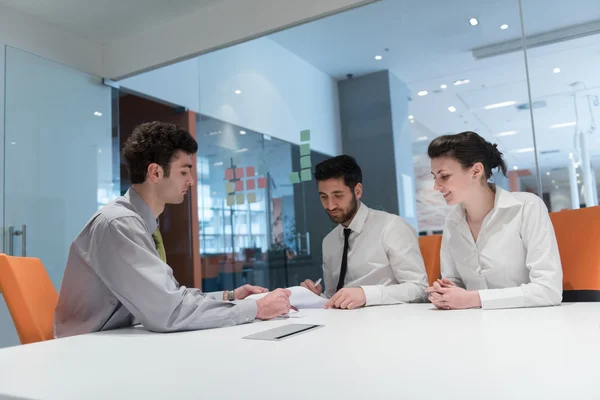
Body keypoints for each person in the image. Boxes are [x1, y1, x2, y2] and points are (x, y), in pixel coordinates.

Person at [54, 122, 291, 338]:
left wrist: (230, 297)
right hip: (86, 349)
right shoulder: (119, 224)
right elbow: (169, 311)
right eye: (184, 172)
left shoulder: (139, 222)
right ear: (155, 173)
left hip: (117, 340)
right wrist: (256, 308)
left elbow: (167, 297)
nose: (191, 181)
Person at [426, 131, 563, 310]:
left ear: (476, 171)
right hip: (471, 324)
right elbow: (455, 280)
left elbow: (548, 290)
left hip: (528, 324)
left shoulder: (527, 207)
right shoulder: (452, 222)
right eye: (434, 177)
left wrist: (474, 299)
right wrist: (445, 291)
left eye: (444, 176)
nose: (436, 186)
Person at [301, 155, 428, 309]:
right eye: (324, 197)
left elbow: (419, 288)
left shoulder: (392, 227)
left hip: (389, 324)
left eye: (338, 195)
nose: (330, 205)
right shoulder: (329, 241)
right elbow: (332, 296)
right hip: (343, 325)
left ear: (358, 191)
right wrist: (315, 297)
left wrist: (366, 295)